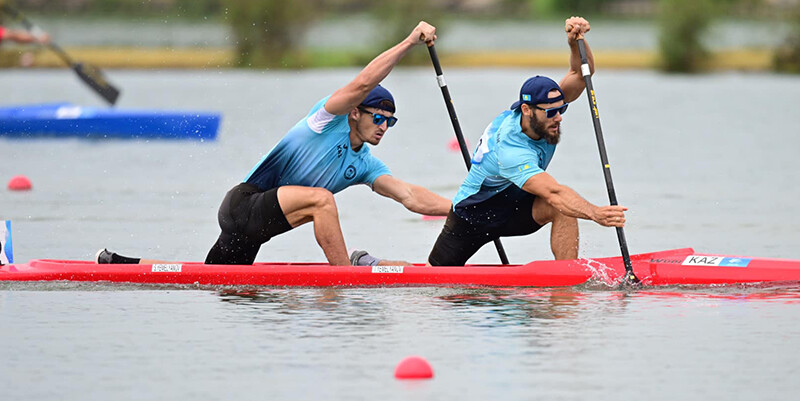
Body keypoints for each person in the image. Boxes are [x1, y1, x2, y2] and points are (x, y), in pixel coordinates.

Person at [97, 21, 451, 266]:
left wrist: (464, 208)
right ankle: (345, 278)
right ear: (355, 113)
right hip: (243, 205)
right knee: (322, 201)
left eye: (390, 121)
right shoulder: (324, 120)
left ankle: (116, 264)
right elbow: (360, 85)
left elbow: (409, 196)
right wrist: (408, 43)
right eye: (378, 117)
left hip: (260, 229)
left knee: (208, 279)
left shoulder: (366, 164)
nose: (384, 126)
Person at [352, 16, 629, 267]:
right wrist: (595, 213)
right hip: (471, 215)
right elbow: (554, 191)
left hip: (514, 207)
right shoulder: (510, 149)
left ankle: (566, 281)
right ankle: (370, 263)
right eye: (552, 112)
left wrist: (576, 42)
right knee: (433, 278)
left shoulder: (541, 112)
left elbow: (581, 75)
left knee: (563, 210)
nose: (559, 117)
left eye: (561, 109)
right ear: (527, 110)